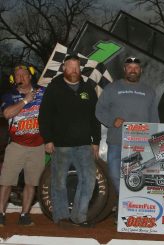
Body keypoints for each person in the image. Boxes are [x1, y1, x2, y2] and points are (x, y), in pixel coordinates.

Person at [38, 54, 100, 228]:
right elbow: (44, 115)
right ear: (64, 68)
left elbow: (95, 117)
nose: (73, 70)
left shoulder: (88, 88)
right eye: (70, 66)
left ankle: (79, 217)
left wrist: (96, 141)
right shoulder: (54, 88)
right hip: (60, 145)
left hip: (84, 144)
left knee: (89, 180)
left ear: (80, 69)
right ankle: (62, 217)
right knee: (58, 182)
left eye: (76, 67)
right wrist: (48, 139)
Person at [96, 56, 159, 198]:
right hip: (117, 142)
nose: (133, 70)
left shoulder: (149, 91)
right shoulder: (112, 88)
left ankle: (128, 207)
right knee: (114, 174)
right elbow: (99, 110)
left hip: (140, 144)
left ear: (141, 70)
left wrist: (153, 142)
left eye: (136, 68)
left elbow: (154, 118)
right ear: (124, 69)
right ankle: (125, 203)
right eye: (129, 67)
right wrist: (112, 121)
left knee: (136, 177)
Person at [0, 65, 45, 226]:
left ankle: (25, 215)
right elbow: (7, 114)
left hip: (38, 146)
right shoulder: (9, 96)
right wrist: (26, 100)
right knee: (6, 181)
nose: (21, 77)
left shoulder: (42, 91)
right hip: (17, 145)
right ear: (14, 79)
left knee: (31, 182)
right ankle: (1, 213)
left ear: (30, 76)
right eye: (17, 75)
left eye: (24, 74)